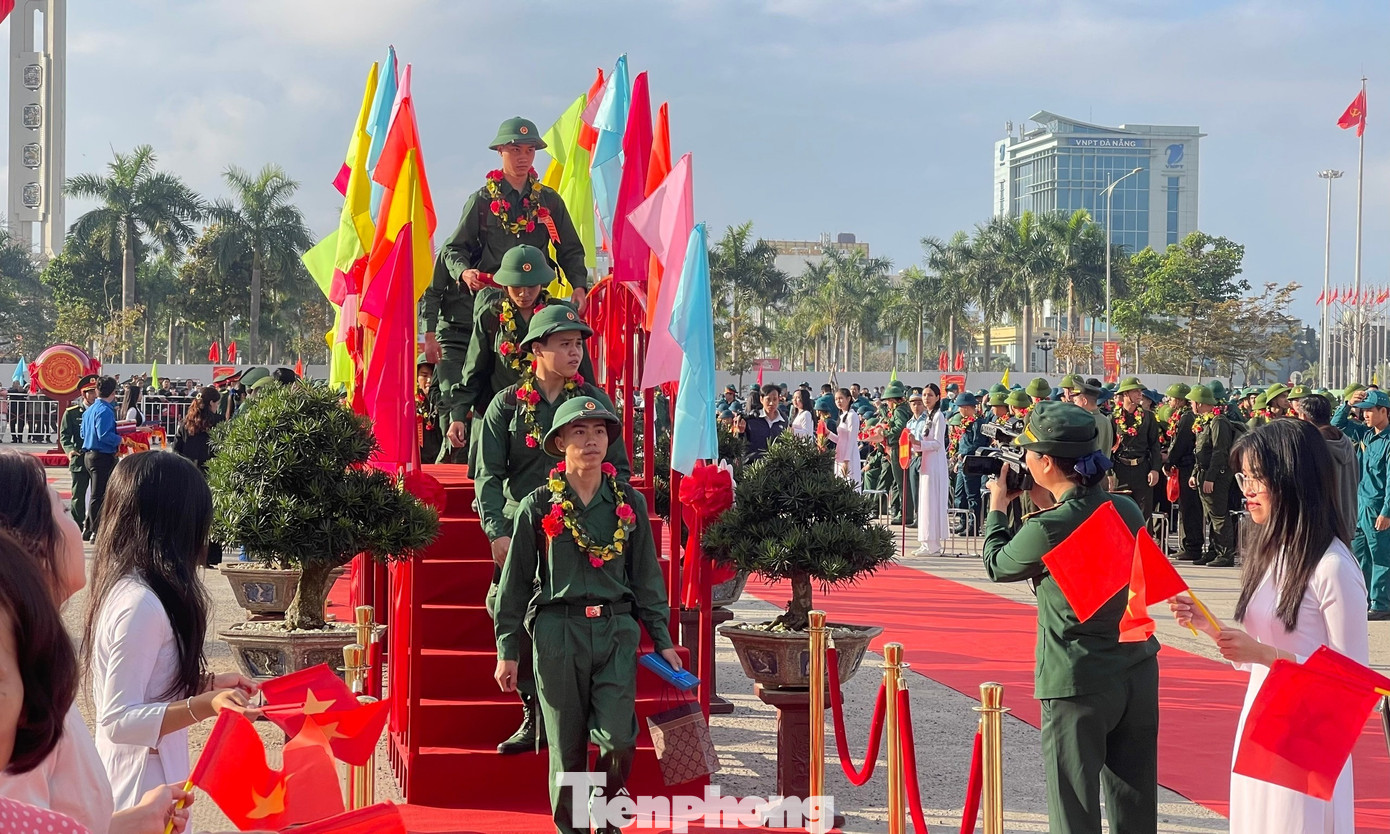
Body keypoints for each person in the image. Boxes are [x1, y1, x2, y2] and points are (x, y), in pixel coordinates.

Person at [494, 397, 677, 834]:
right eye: (579, 431)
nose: (591, 440)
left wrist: (663, 639)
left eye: (599, 431)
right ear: (559, 442)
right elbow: (515, 584)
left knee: (618, 737)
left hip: (615, 628)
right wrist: (507, 651)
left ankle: (610, 801)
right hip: (559, 631)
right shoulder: (537, 506)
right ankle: (572, 828)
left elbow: (647, 577)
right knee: (566, 746)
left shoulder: (627, 502)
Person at [1171, 419, 1363, 833]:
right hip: (1262, 721)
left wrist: (1264, 654)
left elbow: (1354, 685)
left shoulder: (1333, 567)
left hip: (1307, 739)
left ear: (1293, 479)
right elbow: (1259, 653)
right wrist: (1210, 627)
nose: (1247, 489)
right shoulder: (1272, 552)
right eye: (1244, 476)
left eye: (1258, 477)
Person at [983, 402, 1158, 834]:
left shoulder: (1047, 527)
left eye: (1028, 453)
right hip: (1135, 669)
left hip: (1076, 677)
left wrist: (997, 508)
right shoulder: (1125, 510)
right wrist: (1046, 500)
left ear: (1045, 462)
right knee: (1134, 800)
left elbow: (998, 564)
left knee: (1073, 808)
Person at [0, 452, 198, 834]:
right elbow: (118, 718)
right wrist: (202, 705)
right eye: (63, 510)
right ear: (31, 541)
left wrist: (129, 822)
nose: (79, 527)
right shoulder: (16, 693)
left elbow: (47, 822)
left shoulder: (36, 656)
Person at [476, 305, 627, 755]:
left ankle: (599, 709)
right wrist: (498, 531)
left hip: (584, 525)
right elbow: (487, 475)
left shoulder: (592, 400)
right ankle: (533, 706)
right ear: (537, 350)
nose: (575, 352)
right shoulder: (506, 405)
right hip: (526, 523)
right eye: (564, 344)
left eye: (579, 344)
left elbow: (615, 466)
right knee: (503, 602)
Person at [81, 453, 259, 809]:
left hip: (152, 776)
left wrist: (203, 685)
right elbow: (118, 719)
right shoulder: (140, 606)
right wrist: (203, 705)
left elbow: (147, 686)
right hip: (138, 786)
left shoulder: (141, 593)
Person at [427, 118, 591, 446]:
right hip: (485, 308)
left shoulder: (548, 202)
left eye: (530, 150)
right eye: (515, 149)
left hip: (533, 308)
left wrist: (578, 285)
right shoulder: (481, 202)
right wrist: (463, 272)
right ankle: (461, 451)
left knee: (531, 382)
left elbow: (570, 249)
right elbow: (453, 248)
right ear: (500, 151)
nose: (523, 157)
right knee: (470, 386)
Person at [450, 245, 593, 466]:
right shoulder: (491, 317)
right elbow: (473, 372)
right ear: (505, 284)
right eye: (517, 287)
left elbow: (581, 368)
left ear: (542, 283)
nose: (524, 294)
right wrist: (458, 416)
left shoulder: (561, 315)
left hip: (554, 416)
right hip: (504, 418)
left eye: (531, 286)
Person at [1332, 388, 1390, 618]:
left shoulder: (1387, 442)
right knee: (1359, 556)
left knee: (1380, 556)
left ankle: (1381, 603)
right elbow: (1337, 426)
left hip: (1377, 507)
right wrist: (1347, 403)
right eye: (1362, 411)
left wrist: (1387, 512)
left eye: (1369, 411)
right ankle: (1362, 599)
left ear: (1384, 411)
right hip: (1359, 505)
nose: (1364, 415)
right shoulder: (1366, 435)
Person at [171, 387, 224, 567]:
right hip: (212, 473)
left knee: (190, 516)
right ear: (211, 403)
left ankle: (187, 555)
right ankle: (209, 556)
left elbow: (176, 449)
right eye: (217, 403)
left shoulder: (186, 422)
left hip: (189, 474)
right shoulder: (219, 422)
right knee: (212, 516)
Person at [1295, 391, 1359, 538]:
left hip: (1322, 527)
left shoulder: (1313, 447)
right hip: (1347, 523)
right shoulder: (1346, 441)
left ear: (1304, 417)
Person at [1187, 385, 1236, 567]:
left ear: (1199, 403)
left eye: (1192, 401)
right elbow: (1200, 451)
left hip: (1216, 475)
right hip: (1203, 472)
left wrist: (1210, 477)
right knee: (1210, 515)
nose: (1191, 404)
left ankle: (1225, 554)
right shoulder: (1204, 422)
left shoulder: (1218, 422)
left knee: (1219, 515)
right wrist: (1195, 474)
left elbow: (1219, 452)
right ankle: (1213, 551)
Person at [1163, 383, 1205, 562]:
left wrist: (1169, 461)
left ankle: (1193, 546)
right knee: (1184, 508)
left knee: (1190, 508)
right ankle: (1186, 544)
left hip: (1187, 466)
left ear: (1180, 400)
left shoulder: (1187, 418)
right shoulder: (1181, 416)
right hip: (1184, 467)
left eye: (1172, 398)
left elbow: (1180, 443)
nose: (1169, 401)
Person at [1110, 376, 1162, 520]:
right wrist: (1109, 474)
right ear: (1125, 394)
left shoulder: (1148, 417)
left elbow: (1154, 445)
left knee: (1144, 515)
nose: (1140, 394)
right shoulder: (1113, 418)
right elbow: (1109, 447)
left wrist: (1155, 469)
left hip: (1142, 469)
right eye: (1136, 391)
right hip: (1120, 469)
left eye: (1140, 391)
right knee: (1119, 515)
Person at [80, 377, 121, 538]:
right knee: (99, 494)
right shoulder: (105, 410)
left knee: (96, 493)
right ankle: (96, 530)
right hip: (102, 455)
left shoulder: (90, 409)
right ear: (113, 392)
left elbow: (83, 433)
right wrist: (121, 439)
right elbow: (104, 435)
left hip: (89, 454)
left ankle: (89, 527)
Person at [913, 384, 949, 556]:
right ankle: (926, 541)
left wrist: (919, 443)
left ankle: (933, 544)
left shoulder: (939, 417)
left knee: (932, 500)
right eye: (925, 395)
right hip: (926, 462)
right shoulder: (927, 416)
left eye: (930, 395)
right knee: (925, 501)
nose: (926, 398)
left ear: (937, 397)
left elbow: (937, 444)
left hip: (935, 463)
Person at [61, 375, 98, 538]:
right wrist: (69, 449)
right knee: (78, 494)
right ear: (83, 394)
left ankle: (94, 526)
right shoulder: (71, 413)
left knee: (98, 493)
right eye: (90, 392)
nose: (94, 395)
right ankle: (78, 525)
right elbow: (64, 435)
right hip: (79, 458)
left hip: (98, 457)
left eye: (95, 391)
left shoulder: (102, 411)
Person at [880, 380, 914, 526]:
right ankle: (904, 512)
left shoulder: (899, 411)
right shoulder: (903, 409)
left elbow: (900, 428)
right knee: (901, 482)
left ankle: (905, 514)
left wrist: (885, 433)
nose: (887, 403)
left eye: (888, 400)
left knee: (902, 483)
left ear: (893, 400)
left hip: (898, 448)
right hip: (901, 448)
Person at [733, 384, 786, 463]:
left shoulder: (783, 420)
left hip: (776, 468)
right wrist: (740, 432)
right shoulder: (751, 419)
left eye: (775, 399)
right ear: (761, 399)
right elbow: (740, 445)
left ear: (779, 399)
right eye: (768, 399)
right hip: (753, 467)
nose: (771, 403)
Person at [833, 387, 862, 488]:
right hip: (839, 454)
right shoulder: (841, 416)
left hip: (849, 456)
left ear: (849, 398)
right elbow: (840, 440)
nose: (838, 401)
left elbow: (852, 440)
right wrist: (827, 434)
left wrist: (846, 460)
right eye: (836, 399)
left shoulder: (852, 416)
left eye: (841, 398)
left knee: (850, 484)